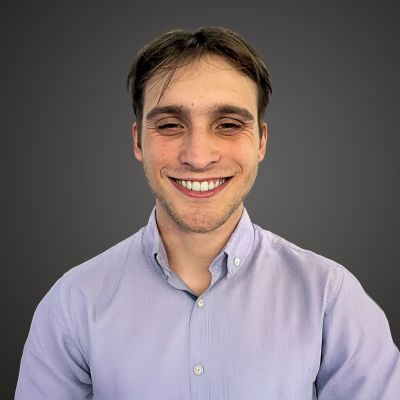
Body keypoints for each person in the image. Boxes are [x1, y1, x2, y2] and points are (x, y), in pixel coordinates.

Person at [15, 27, 399, 400]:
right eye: (169, 125)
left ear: (261, 142)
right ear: (138, 142)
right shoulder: (73, 303)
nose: (198, 157)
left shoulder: (330, 298)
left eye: (228, 125)